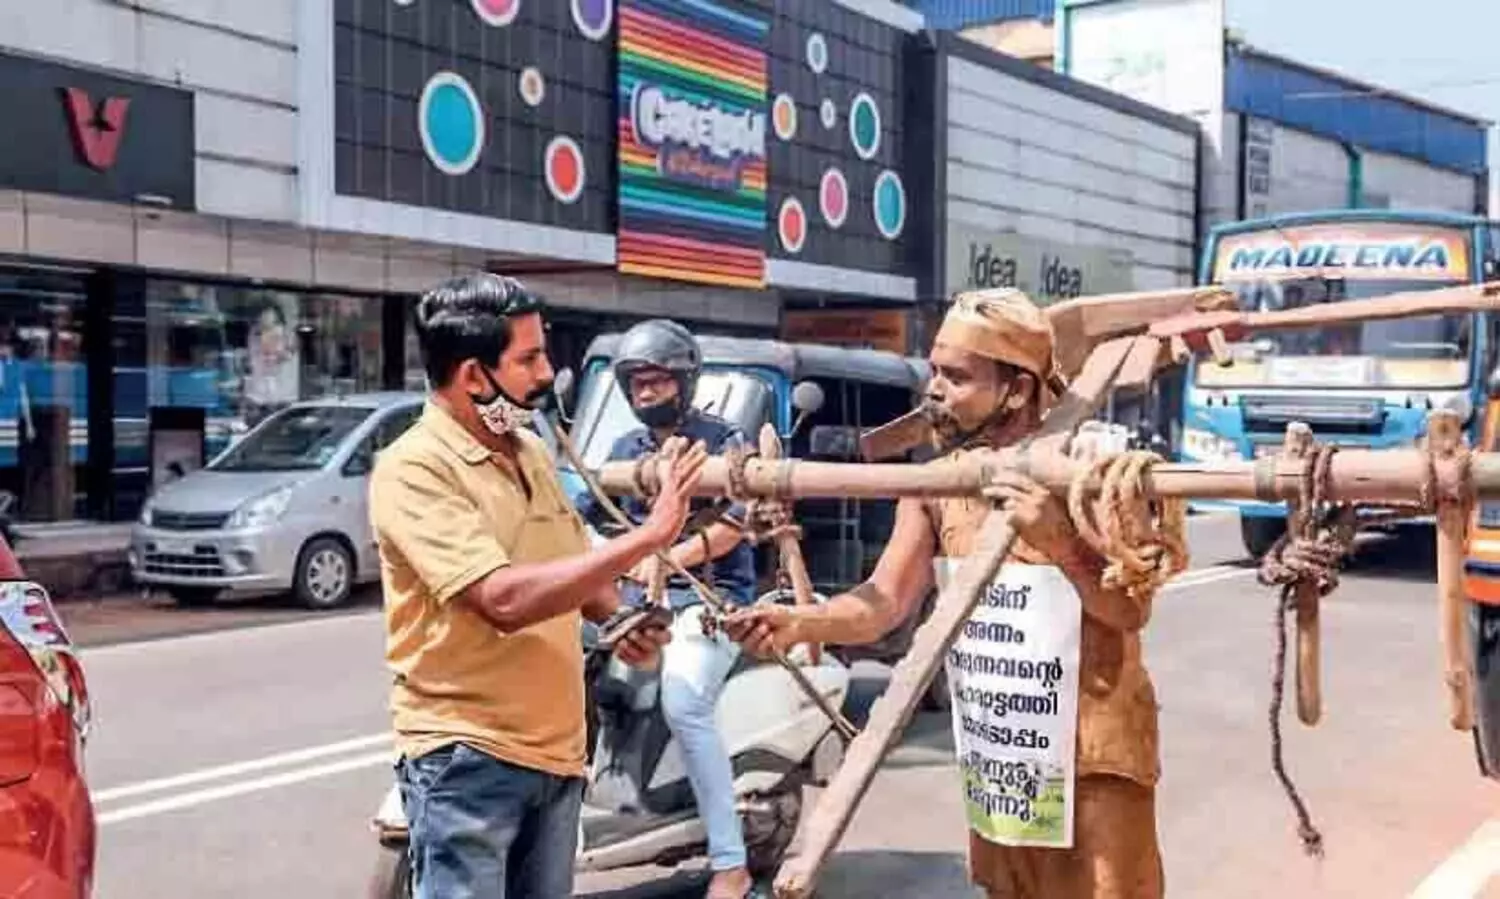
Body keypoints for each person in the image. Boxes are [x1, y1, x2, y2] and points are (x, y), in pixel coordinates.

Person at [724, 289, 1166, 899]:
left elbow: (1128, 609)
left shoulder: (1093, 470)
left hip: (1094, 757)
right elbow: (884, 601)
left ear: (1017, 389)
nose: (934, 390)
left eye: (956, 377)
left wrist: (1060, 542)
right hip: (1001, 755)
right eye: (934, 371)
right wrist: (802, 623)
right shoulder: (937, 481)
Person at [369, 273, 709, 899]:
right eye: (528, 360)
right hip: (469, 759)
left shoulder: (528, 451)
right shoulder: (414, 468)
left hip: (556, 755)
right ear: (474, 376)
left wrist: (619, 620)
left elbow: (571, 561)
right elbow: (502, 599)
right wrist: (650, 536)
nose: (548, 374)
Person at [575, 319, 759, 899]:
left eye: (658, 381)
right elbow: (588, 514)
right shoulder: (624, 450)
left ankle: (731, 863)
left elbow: (734, 526)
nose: (647, 392)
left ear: (684, 380)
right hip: (637, 601)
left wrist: (666, 556)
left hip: (709, 599)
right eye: (637, 383)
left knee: (683, 702)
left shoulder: (725, 440)